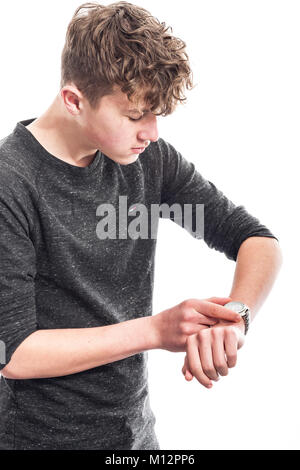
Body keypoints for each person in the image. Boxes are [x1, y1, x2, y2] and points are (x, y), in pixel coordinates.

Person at [0, 1, 282, 450]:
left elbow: (254, 238)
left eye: (156, 115)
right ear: (74, 100)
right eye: (135, 116)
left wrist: (237, 318)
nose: (150, 132)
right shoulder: (10, 183)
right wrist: (155, 331)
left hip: (135, 437)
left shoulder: (149, 161)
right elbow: (14, 353)